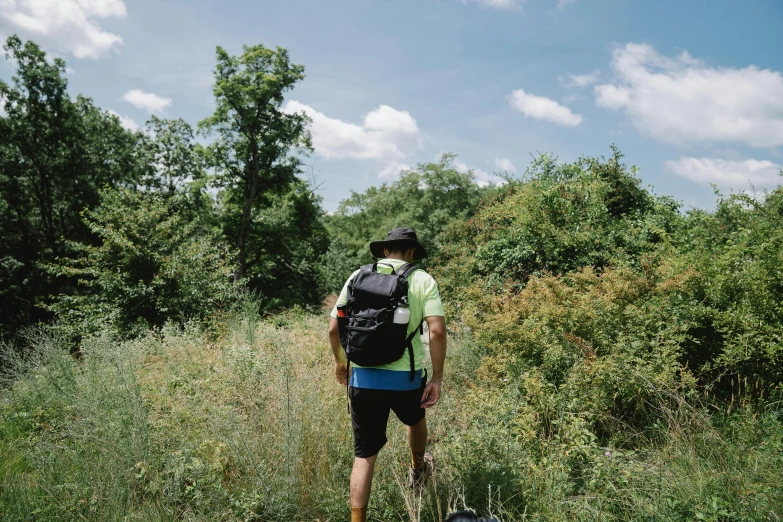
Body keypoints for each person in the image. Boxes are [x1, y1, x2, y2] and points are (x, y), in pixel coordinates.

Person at [328, 227, 447, 522]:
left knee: (364, 454)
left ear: (385, 250)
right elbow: (437, 331)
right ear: (412, 252)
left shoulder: (357, 276)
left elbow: (334, 328)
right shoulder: (421, 279)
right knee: (416, 419)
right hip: (405, 378)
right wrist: (437, 379)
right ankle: (418, 470)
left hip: (363, 379)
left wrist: (341, 362)